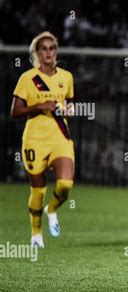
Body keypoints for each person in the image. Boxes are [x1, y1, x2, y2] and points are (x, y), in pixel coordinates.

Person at [10, 31, 75, 248]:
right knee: (38, 190)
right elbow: (15, 111)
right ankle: (36, 234)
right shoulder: (27, 79)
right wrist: (38, 106)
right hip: (35, 139)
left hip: (59, 135)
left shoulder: (66, 77)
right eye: (44, 48)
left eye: (52, 48)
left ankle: (52, 210)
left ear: (56, 52)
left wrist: (69, 110)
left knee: (65, 184)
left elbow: (69, 104)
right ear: (37, 53)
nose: (49, 52)